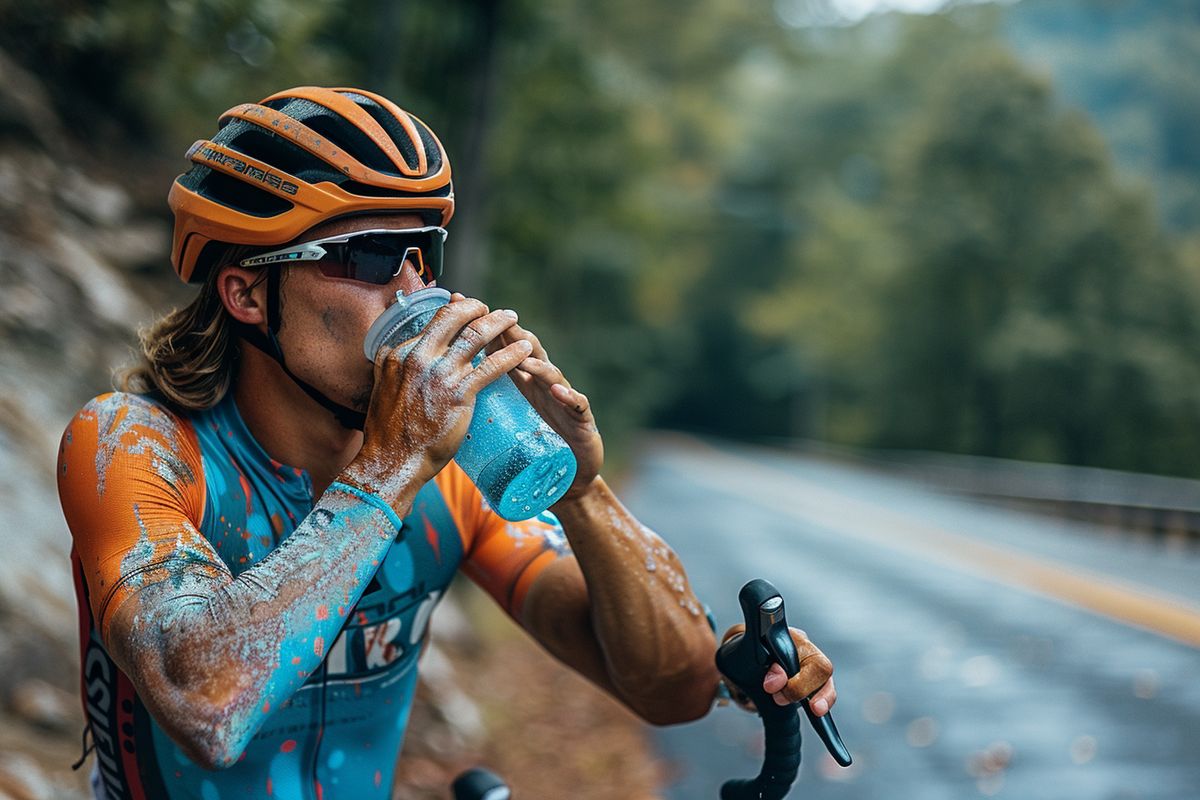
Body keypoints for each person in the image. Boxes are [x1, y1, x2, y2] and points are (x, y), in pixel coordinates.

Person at [56, 86, 837, 799]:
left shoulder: (449, 475)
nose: (413, 291)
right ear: (249, 292)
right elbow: (203, 701)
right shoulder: (138, 446)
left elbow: (672, 690)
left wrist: (581, 494)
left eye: (420, 252)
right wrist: (392, 464)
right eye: (366, 257)